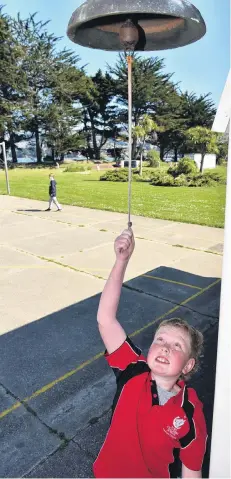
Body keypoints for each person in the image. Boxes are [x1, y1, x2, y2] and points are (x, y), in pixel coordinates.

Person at [93, 229, 207, 479]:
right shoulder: (132, 369)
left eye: (177, 346)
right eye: (161, 339)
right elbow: (105, 319)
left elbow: (192, 471)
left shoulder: (190, 411)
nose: (167, 347)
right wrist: (121, 261)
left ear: (187, 366)